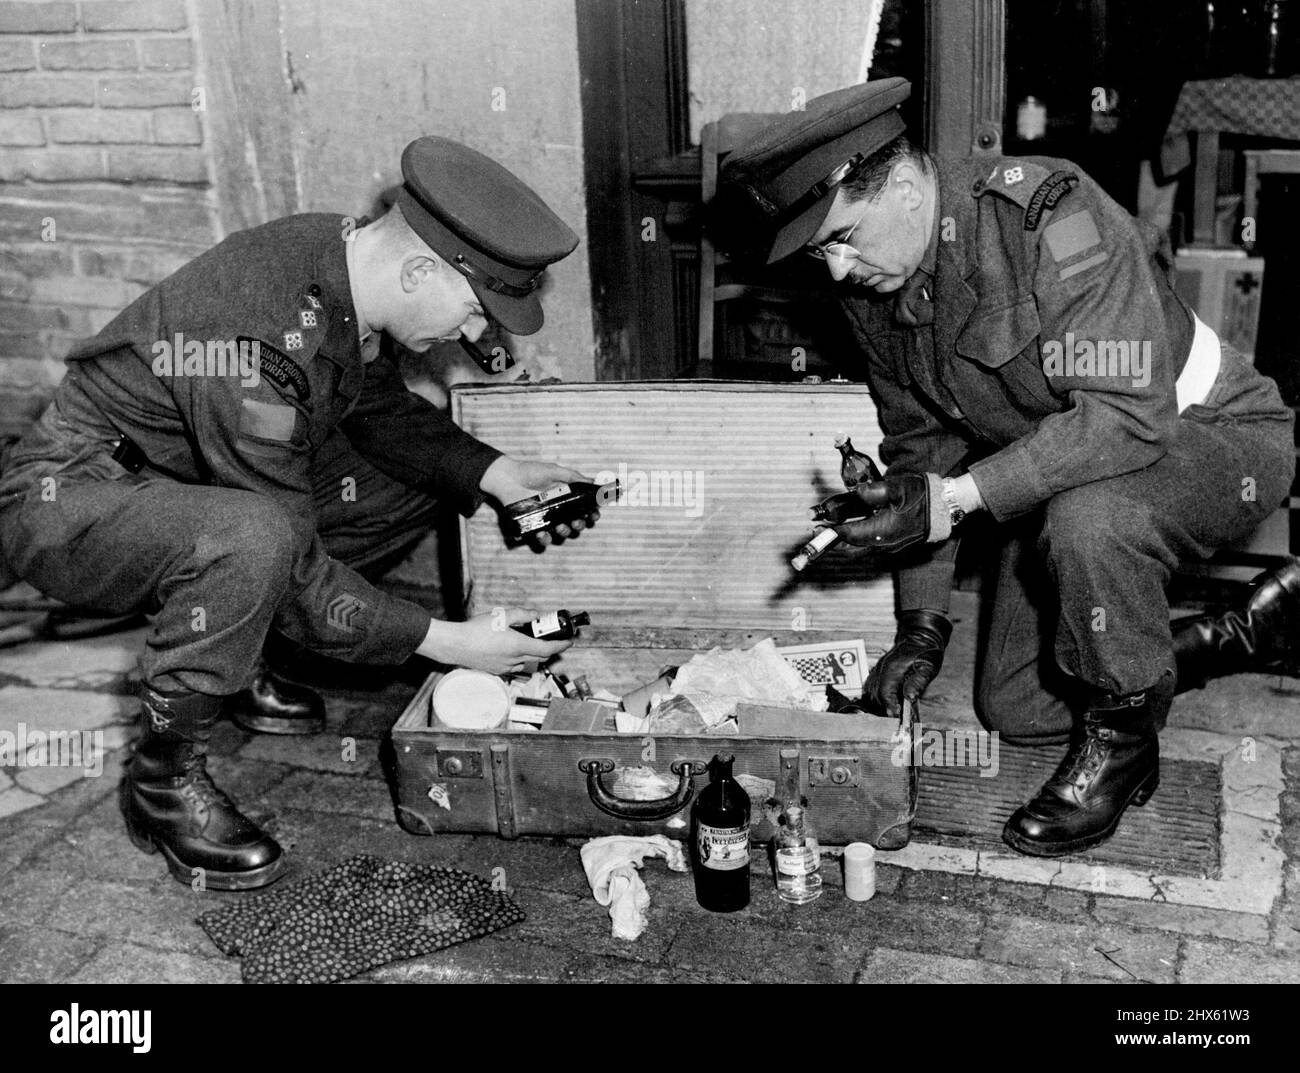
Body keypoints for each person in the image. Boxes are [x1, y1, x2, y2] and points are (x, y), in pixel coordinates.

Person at [714, 79, 1298, 857]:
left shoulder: (1055, 216)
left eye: (842, 236)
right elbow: (922, 446)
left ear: (904, 185)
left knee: (1091, 523)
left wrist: (956, 499)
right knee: (1016, 705)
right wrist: (922, 626)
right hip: (1074, 464)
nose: (836, 269)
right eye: (822, 249)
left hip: (1212, 433)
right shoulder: (874, 287)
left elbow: (1124, 416)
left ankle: (1122, 753)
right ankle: (1233, 637)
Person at [0, 136, 599, 889]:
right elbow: (288, 551)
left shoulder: (339, 261)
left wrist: (495, 471)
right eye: (477, 314)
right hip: (73, 496)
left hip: (189, 485)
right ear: (420, 270)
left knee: (421, 477)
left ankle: (243, 653)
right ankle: (160, 784)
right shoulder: (253, 341)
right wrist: (447, 643)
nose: (476, 339)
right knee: (255, 540)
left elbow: (370, 406)